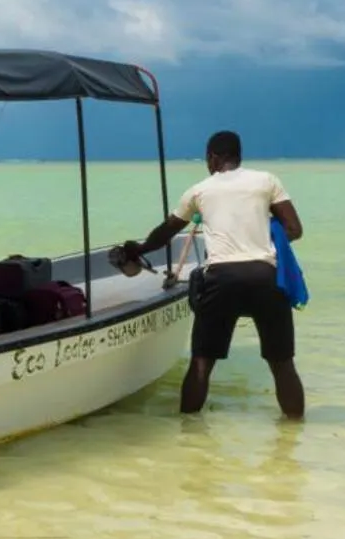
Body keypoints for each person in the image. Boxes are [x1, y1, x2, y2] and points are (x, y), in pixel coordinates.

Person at [120, 129, 305, 419]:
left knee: (202, 362)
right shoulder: (266, 181)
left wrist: (138, 248)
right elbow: (295, 230)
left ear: (213, 158)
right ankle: (294, 437)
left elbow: (165, 232)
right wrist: (262, 233)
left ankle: (188, 436)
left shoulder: (200, 190)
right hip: (265, 277)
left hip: (221, 279)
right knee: (282, 364)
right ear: (238, 156)